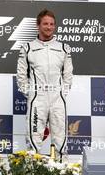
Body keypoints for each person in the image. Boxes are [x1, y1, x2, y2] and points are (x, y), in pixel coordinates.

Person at [16, 9, 73, 162]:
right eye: (45, 24)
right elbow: (21, 76)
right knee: (34, 139)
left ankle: (63, 169)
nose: (49, 27)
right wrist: (32, 94)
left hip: (57, 98)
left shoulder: (63, 48)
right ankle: (32, 168)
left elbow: (68, 75)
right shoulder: (27, 47)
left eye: (52, 24)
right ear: (38, 25)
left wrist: (62, 93)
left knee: (61, 139)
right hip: (37, 98)